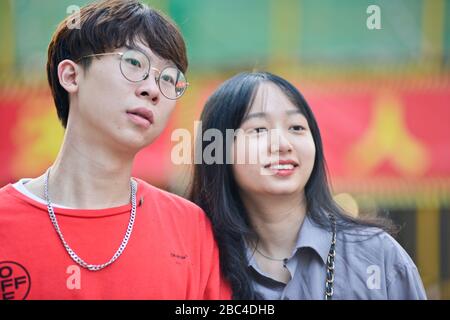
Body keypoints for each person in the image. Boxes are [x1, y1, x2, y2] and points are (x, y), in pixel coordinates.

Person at [0, 0, 230, 300]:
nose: (152, 90)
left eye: (169, 79)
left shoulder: (191, 228)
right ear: (71, 76)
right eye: (134, 63)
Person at [190, 71, 426, 300]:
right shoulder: (197, 261)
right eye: (259, 129)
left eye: (296, 128)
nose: (283, 144)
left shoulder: (377, 255)